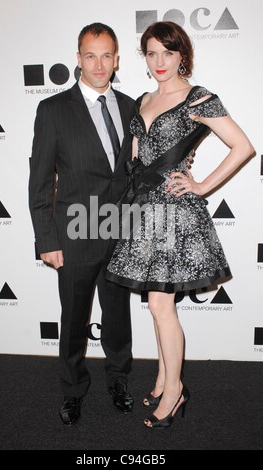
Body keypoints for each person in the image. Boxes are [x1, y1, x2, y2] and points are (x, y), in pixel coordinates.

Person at [106, 21, 254, 429]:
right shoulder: (142, 100)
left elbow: (242, 146)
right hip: (144, 215)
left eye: (167, 53)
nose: (159, 62)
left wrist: (202, 185)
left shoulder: (199, 98)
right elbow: (138, 158)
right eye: (151, 53)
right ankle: (162, 377)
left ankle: (175, 391)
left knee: (159, 303)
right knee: (159, 306)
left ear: (181, 55)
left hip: (175, 214)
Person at [29, 23, 135, 426]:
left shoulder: (130, 107)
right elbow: (40, 180)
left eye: (107, 55)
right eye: (90, 56)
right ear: (78, 59)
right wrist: (46, 238)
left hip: (120, 230)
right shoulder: (53, 110)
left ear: (116, 59)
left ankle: (119, 381)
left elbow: (131, 173)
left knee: (118, 316)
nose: (99, 64)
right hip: (73, 234)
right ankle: (73, 390)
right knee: (73, 318)